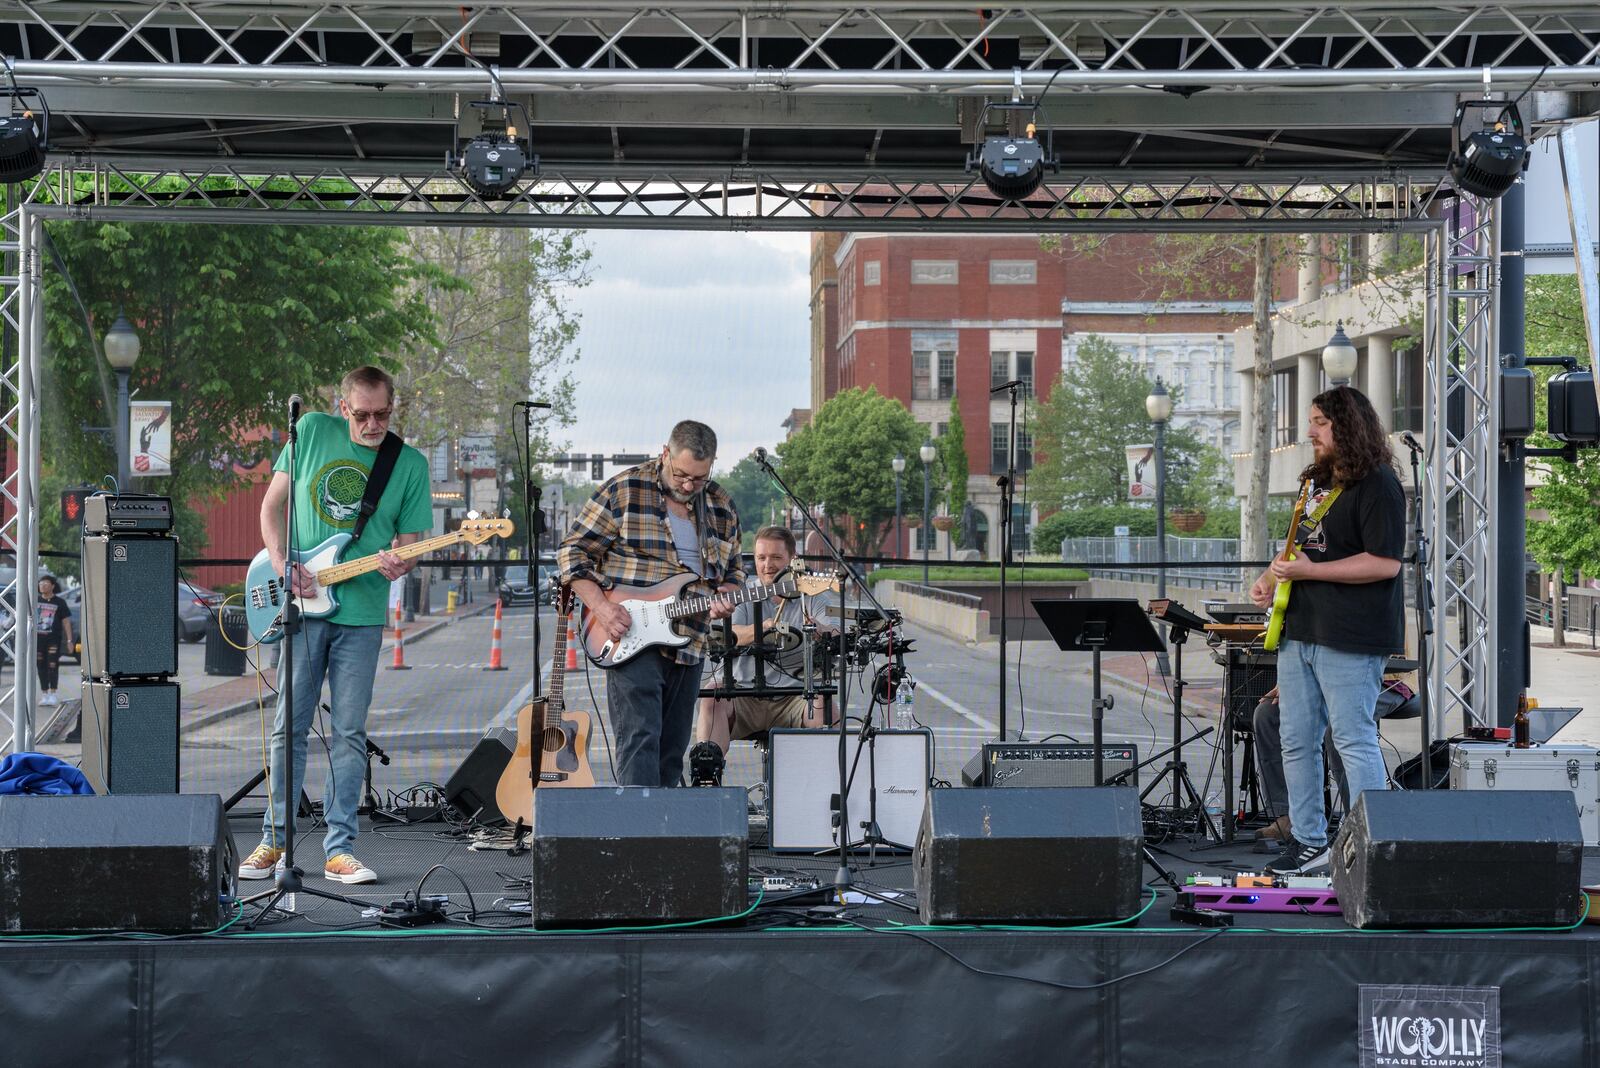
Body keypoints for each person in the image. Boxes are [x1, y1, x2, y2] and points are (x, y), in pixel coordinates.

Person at [239, 366, 433, 886]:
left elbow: (410, 541)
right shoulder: (311, 433)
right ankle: (274, 839)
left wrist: (402, 561)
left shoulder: (409, 464)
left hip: (362, 613)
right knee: (289, 728)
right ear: (341, 406)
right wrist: (282, 563)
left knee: (349, 733)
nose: (373, 424)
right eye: (362, 414)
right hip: (302, 605)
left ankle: (339, 848)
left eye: (383, 414)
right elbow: (271, 507)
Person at [1249, 385, 1406, 875]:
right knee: (1295, 738)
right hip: (1301, 632)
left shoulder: (1378, 484)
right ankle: (1310, 841)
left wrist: (1309, 572)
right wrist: (1270, 576)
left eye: (1319, 421)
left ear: (1347, 423)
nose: (1310, 431)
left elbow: (1385, 563)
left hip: (1351, 637)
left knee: (1352, 739)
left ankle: (1377, 846)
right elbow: (1303, 551)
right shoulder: (1316, 483)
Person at [558, 421, 744, 787]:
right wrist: (602, 607)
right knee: (640, 740)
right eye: (681, 475)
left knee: (672, 750)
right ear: (665, 454)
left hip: (690, 641)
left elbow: (735, 571)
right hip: (629, 636)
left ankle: (662, 835)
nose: (689, 485)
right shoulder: (625, 490)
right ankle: (635, 840)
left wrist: (728, 595)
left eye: (699, 479)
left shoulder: (721, 506)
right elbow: (571, 552)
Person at [688, 525, 837, 784]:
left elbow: (835, 631)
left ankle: (827, 786)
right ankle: (708, 775)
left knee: (827, 707)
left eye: (776, 558)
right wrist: (762, 629)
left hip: (796, 697)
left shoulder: (811, 595)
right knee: (712, 695)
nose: (768, 565)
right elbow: (728, 632)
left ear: (792, 560)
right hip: (744, 694)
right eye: (761, 558)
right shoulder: (744, 592)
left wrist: (821, 630)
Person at [1250, 675, 1415, 841]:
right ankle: (1288, 816)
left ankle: (1359, 824)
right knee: (1268, 713)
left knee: (1342, 727)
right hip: (1324, 679)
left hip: (1384, 679)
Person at [34, 575, 72, 706]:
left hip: (53, 639)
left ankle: (53, 693)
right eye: (41, 583)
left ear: (52, 586)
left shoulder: (60, 602)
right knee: (40, 666)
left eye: (45, 583)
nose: (42, 585)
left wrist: (69, 641)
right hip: (38, 640)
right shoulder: (35, 600)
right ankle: (44, 694)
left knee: (52, 664)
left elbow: (66, 622)